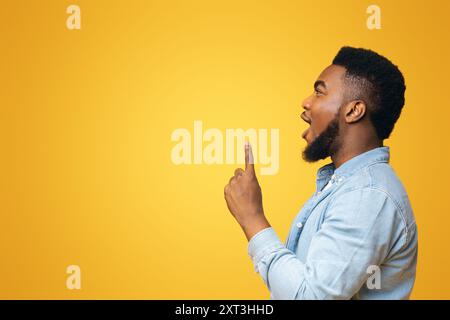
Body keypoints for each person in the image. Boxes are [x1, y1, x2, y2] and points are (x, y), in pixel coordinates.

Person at [224, 46, 418, 299]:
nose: (306, 102)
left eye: (319, 92)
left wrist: (252, 218)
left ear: (353, 111)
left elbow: (310, 296)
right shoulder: (347, 187)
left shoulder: (366, 196)